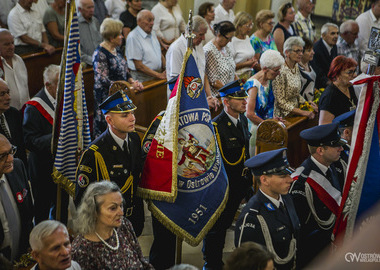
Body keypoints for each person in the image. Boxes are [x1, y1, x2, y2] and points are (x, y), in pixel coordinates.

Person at [75, 90, 145, 237]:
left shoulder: (134, 139)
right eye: (125, 115)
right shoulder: (95, 153)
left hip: (134, 219)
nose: (132, 118)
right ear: (109, 120)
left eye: (132, 113)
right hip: (108, 224)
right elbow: (83, 199)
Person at [203, 80, 252, 270]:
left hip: (241, 183)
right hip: (224, 186)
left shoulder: (243, 120)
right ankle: (212, 263)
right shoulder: (216, 127)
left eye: (244, 97)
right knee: (218, 228)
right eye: (239, 98)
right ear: (226, 102)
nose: (244, 101)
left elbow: (245, 152)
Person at [290, 123, 346, 268]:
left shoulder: (332, 166)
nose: (341, 148)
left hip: (330, 248)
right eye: (336, 145)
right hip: (313, 254)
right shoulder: (302, 183)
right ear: (320, 150)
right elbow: (300, 227)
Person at [235, 148, 300, 270]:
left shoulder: (286, 199)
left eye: (289, 174)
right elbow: (246, 265)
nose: (290, 179)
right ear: (264, 180)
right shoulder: (252, 217)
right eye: (283, 176)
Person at [72, 181, 153, 269]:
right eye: (113, 208)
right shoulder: (82, 251)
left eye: (121, 206)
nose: (121, 212)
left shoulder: (124, 225)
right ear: (94, 211)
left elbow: (143, 263)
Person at [92, 18, 143, 138]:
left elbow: (125, 70)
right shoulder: (100, 54)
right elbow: (103, 79)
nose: (122, 37)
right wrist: (126, 87)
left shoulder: (117, 50)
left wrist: (132, 81)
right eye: (119, 34)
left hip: (121, 93)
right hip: (107, 97)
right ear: (112, 38)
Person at [23, 64, 59, 224]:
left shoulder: (64, 100)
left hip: (60, 164)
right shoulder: (33, 107)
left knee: (59, 205)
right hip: (42, 167)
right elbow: (30, 141)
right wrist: (56, 137)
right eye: (59, 82)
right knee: (42, 209)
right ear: (48, 85)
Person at [165, 15, 218, 108]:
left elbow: (203, 72)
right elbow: (177, 83)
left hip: (198, 97)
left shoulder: (199, 45)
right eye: (201, 34)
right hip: (182, 101)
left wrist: (210, 96)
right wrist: (200, 102)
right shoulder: (176, 49)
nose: (203, 38)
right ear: (190, 32)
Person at [0, 134, 33, 262]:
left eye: (11, 151)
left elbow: (28, 213)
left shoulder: (17, 167)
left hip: (22, 256)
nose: (10, 159)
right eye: (2, 156)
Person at [244, 50, 284, 156]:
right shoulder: (253, 84)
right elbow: (249, 114)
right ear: (265, 69)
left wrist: (272, 120)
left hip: (264, 128)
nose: (278, 73)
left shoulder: (268, 80)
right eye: (276, 70)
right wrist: (268, 125)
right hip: (254, 131)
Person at [272, 36, 316, 119]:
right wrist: (302, 112)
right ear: (287, 52)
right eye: (297, 51)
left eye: (301, 51)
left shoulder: (295, 66)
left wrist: (307, 103)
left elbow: (296, 94)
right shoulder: (280, 71)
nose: (301, 54)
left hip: (295, 113)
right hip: (283, 117)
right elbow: (280, 102)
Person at [126, 10, 166, 82]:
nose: (152, 23)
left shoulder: (153, 33)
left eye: (153, 20)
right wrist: (158, 75)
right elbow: (139, 66)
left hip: (157, 76)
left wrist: (166, 68)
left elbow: (159, 53)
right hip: (142, 79)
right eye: (149, 20)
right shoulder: (133, 37)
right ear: (139, 21)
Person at [318, 55, 358, 125]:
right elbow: (324, 128)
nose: (355, 75)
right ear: (337, 75)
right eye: (350, 72)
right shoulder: (330, 96)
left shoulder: (349, 87)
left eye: (354, 71)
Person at [204, 20, 237, 97]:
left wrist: (239, 86)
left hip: (228, 93)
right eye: (228, 38)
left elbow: (232, 71)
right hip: (217, 96)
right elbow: (214, 81)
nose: (230, 41)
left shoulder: (226, 47)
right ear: (219, 35)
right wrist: (230, 93)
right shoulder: (209, 51)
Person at [0, 29, 29, 110]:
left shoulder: (19, 60)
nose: (11, 47)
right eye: (6, 44)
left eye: (12, 43)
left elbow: (25, 87)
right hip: (6, 113)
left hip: (24, 110)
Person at [0, 79, 27, 167]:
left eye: (8, 92)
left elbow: (21, 147)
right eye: (2, 94)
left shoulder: (13, 113)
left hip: (18, 170)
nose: (8, 97)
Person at [311, 23, 339, 90]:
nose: (336, 36)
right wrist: (332, 84)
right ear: (323, 35)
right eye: (332, 33)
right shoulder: (316, 49)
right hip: (318, 87)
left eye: (337, 33)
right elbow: (318, 73)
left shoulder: (334, 46)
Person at [230, 12, 257, 81]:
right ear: (239, 26)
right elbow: (229, 66)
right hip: (236, 78)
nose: (250, 28)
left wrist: (253, 60)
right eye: (247, 26)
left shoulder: (247, 38)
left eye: (251, 25)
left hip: (249, 75)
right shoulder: (232, 41)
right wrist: (246, 64)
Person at [78, 0, 103, 66]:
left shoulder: (95, 21)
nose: (92, 10)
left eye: (93, 7)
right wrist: (93, 60)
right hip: (85, 64)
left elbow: (101, 41)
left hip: (100, 61)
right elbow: (76, 50)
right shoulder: (75, 25)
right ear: (80, 9)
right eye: (88, 8)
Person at [298, 37, 316, 102]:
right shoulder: (296, 68)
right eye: (309, 50)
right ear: (301, 52)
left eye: (312, 50)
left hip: (312, 102)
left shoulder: (310, 65)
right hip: (302, 105)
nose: (313, 52)